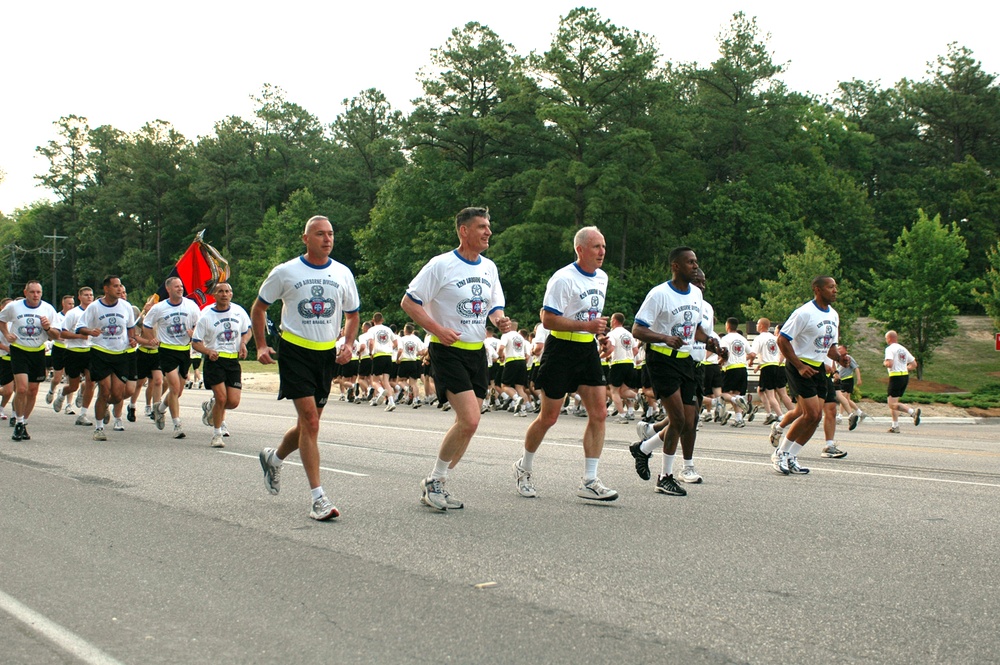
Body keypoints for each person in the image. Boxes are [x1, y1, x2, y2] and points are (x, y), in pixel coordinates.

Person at [401, 206, 511, 511]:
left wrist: (499, 320)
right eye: (481, 227)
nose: (488, 232)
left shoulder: (489, 267)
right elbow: (409, 302)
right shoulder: (441, 265)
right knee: (469, 418)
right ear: (464, 231)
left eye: (489, 226)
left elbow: (493, 305)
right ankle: (434, 481)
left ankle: (438, 482)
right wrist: (437, 329)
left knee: (470, 425)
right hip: (446, 350)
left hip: (477, 352)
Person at [252, 215, 360, 521]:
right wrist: (260, 345)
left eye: (331, 234)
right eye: (320, 234)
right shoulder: (286, 271)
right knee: (311, 423)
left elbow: (352, 315)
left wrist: (348, 344)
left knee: (305, 426)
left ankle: (273, 458)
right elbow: (259, 308)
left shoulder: (342, 273)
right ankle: (318, 498)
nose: (327, 239)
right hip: (295, 351)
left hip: (326, 355)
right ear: (305, 238)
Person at [512, 226, 618, 501]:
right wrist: (587, 325)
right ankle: (524, 467)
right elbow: (548, 319)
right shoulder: (563, 278)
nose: (602, 252)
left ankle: (590, 480)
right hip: (560, 349)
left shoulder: (602, 278)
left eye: (604, 246)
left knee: (600, 414)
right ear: (580, 249)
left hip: (587, 350)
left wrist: (601, 336)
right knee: (549, 417)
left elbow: (591, 316)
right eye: (596, 247)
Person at [628, 248, 727, 496]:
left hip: (686, 362)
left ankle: (643, 449)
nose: (695, 266)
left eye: (696, 262)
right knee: (679, 419)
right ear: (675, 266)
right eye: (689, 262)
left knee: (689, 421)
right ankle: (666, 477)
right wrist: (664, 338)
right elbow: (638, 330)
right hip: (661, 360)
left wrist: (710, 341)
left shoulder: (695, 294)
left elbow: (694, 329)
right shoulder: (659, 294)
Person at [771, 276, 846, 475]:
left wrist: (839, 358)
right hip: (799, 367)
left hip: (819, 369)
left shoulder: (833, 315)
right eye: (831, 287)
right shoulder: (804, 313)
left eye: (835, 287)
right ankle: (781, 452)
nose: (835, 291)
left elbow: (829, 347)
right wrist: (799, 365)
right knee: (810, 414)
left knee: (816, 417)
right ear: (817, 289)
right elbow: (782, 340)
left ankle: (792, 455)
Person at [76, 276, 137, 441]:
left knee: (117, 395)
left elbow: (130, 328)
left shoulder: (126, 307)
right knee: (105, 389)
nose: (119, 289)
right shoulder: (95, 307)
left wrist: (132, 339)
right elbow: (80, 327)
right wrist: (90, 331)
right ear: (106, 288)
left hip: (120, 353)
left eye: (120, 286)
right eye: (115, 286)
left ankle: (103, 406)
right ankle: (99, 427)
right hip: (100, 351)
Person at [141, 277, 202, 439]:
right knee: (174, 387)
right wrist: (151, 338)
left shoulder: (191, 305)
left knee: (179, 391)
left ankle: (160, 409)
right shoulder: (159, 308)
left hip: (184, 351)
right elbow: (146, 325)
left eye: (181, 286)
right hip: (166, 350)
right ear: (168, 289)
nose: (180, 289)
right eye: (176, 286)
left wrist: (194, 332)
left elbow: (200, 324)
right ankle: (177, 425)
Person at [193, 283, 251, 448]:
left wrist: (243, 343)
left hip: (233, 361)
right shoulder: (206, 316)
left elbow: (247, 331)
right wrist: (207, 350)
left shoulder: (239, 312)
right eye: (220, 291)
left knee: (232, 402)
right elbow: (195, 343)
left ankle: (212, 406)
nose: (224, 294)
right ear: (214, 295)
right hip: (215, 361)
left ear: (231, 294)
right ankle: (217, 434)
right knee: (222, 397)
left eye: (227, 291)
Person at [0, 282, 58, 440]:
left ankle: (24, 422)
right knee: (22, 388)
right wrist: (6, 334)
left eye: (38, 292)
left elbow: (56, 336)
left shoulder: (48, 309)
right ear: (25, 292)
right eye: (32, 292)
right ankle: (18, 422)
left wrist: (47, 328)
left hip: (38, 352)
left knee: (33, 390)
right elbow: (1, 320)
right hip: (19, 350)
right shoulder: (14, 307)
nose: (35, 295)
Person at [747, 318, 783, 425]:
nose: (757, 325)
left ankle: (780, 415)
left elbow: (753, 353)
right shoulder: (774, 338)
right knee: (760, 390)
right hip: (775, 365)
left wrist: (749, 361)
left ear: (762, 325)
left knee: (770, 394)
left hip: (767, 367)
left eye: (758, 324)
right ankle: (769, 414)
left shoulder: (759, 338)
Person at [718, 317, 752, 427]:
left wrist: (720, 362)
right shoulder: (742, 338)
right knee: (736, 392)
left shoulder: (725, 339)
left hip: (731, 368)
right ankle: (739, 419)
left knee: (723, 393)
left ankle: (737, 399)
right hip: (742, 367)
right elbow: (751, 354)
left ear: (727, 326)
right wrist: (742, 359)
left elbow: (725, 354)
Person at [884, 330, 920, 433]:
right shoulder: (903, 349)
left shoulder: (889, 349)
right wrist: (904, 368)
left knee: (891, 404)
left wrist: (885, 363)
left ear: (889, 338)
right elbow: (914, 364)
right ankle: (895, 426)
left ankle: (913, 412)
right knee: (895, 402)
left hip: (895, 377)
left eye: (886, 338)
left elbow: (889, 363)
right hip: (904, 376)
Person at [44, 294, 75, 406]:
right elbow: (51, 334)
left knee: (70, 378)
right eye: (69, 304)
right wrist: (57, 336)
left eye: (73, 304)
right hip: (59, 348)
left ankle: (68, 404)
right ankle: (52, 390)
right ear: (63, 304)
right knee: (57, 378)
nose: (71, 306)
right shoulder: (57, 317)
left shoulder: (76, 315)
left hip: (71, 349)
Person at [367, 312, 398, 410]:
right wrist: (388, 348)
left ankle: (380, 391)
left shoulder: (372, 329)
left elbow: (371, 342)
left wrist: (371, 352)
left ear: (373, 320)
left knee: (375, 381)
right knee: (386, 381)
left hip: (378, 355)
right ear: (382, 320)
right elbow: (396, 343)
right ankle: (391, 402)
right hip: (388, 356)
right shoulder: (388, 329)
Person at [834, 344, 865, 430]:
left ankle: (840, 416)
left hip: (847, 379)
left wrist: (859, 379)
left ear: (845, 349)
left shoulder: (848, 358)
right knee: (846, 400)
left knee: (842, 397)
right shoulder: (836, 358)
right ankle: (860, 412)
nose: (838, 349)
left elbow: (856, 368)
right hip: (840, 380)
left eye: (840, 348)